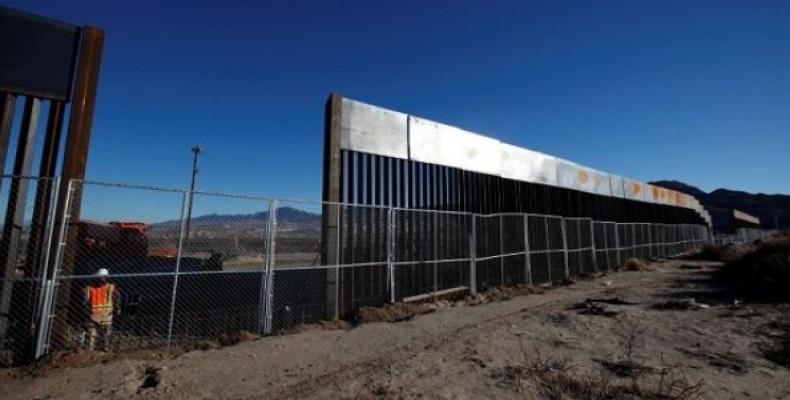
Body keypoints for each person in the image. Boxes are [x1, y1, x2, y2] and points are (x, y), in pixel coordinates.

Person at [83, 268, 118, 351]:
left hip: (93, 315)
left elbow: (85, 302)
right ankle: (106, 349)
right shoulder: (110, 287)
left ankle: (90, 350)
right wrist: (117, 309)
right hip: (106, 315)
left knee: (92, 334)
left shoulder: (89, 288)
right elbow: (116, 299)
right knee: (106, 334)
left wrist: (85, 311)